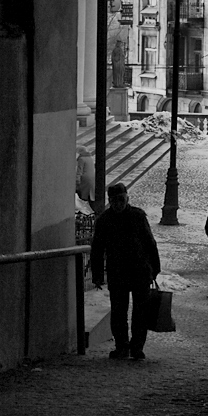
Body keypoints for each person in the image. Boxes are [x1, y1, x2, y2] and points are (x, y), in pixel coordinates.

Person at [91, 182, 161, 360]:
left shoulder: (134, 216)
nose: (118, 203)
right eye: (115, 200)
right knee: (120, 313)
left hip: (138, 271)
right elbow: (97, 249)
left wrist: (155, 269)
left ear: (127, 198)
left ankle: (134, 348)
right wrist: (98, 274)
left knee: (138, 313)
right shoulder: (107, 220)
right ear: (110, 201)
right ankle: (124, 347)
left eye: (121, 199)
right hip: (120, 272)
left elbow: (150, 243)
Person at [75, 144, 95, 210]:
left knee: (82, 198)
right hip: (92, 180)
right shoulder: (90, 158)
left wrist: (77, 182)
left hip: (84, 180)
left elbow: (79, 171)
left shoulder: (81, 159)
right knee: (89, 197)